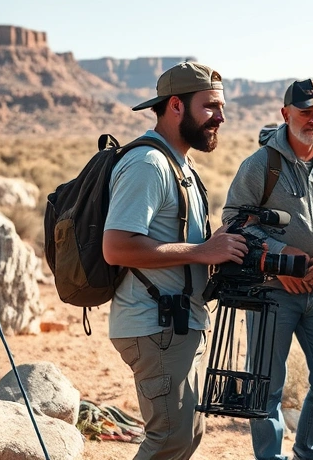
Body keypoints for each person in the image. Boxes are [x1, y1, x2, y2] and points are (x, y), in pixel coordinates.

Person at [103, 61, 248, 460]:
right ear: (176, 106)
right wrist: (203, 252)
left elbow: (177, 244)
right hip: (156, 325)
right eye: (210, 107)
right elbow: (116, 247)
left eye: (221, 107)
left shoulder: (179, 162)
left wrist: (217, 246)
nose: (220, 117)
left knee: (186, 435)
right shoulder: (148, 165)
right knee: (170, 440)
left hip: (178, 324)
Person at [222, 78, 313, 460]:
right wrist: (283, 260)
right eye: (305, 111)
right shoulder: (261, 164)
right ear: (285, 114)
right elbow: (233, 221)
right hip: (271, 292)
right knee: (265, 388)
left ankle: (308, 453)